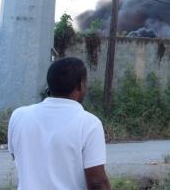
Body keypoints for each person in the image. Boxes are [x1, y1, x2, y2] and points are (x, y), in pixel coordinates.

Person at [7, 57, 111, 190]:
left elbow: (18, 156)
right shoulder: (89, 123)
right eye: (86, 83)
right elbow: (97, 182)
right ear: (80, 84)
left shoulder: (19, 116)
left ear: (49, 85)